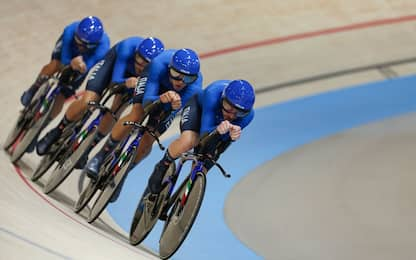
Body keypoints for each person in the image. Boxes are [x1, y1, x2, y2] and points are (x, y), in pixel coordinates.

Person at [84, 48, 203, 193]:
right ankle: (102, 154)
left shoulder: (194, 87)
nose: (181, 82)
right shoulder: (158, 64)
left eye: (187, 79)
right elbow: (147, 101)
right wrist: (160, 98)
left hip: (172, 100)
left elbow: (172, 112)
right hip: (152, 88)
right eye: (176, 75)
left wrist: (170, 106)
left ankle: (123, 173)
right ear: (169, 69)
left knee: (150, 137)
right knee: (136, 114)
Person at [36, 36, 165, 159]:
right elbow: (115, 82)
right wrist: (125, 82)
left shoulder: (156, 72)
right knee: (88, 101)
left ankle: (88, 148)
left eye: (145, 64)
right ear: (135, 52)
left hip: (135, 82)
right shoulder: (127, 47)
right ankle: (58, 130)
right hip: (113, 68)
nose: (140, 65)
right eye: (139, 59)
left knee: (116, 111)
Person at [147, 79, 255, 195]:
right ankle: (163, 165)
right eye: (228, 107)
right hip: (198, 111)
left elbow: (220, 146)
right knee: (189, 141)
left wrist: (230, 138)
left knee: (204, 163)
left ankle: (183, 202)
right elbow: (203, 136)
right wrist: (217, 131)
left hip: (215, 129)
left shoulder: (248, 117)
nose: (231, 115)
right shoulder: (212, 94)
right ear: (222, 98)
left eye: (239, 113)